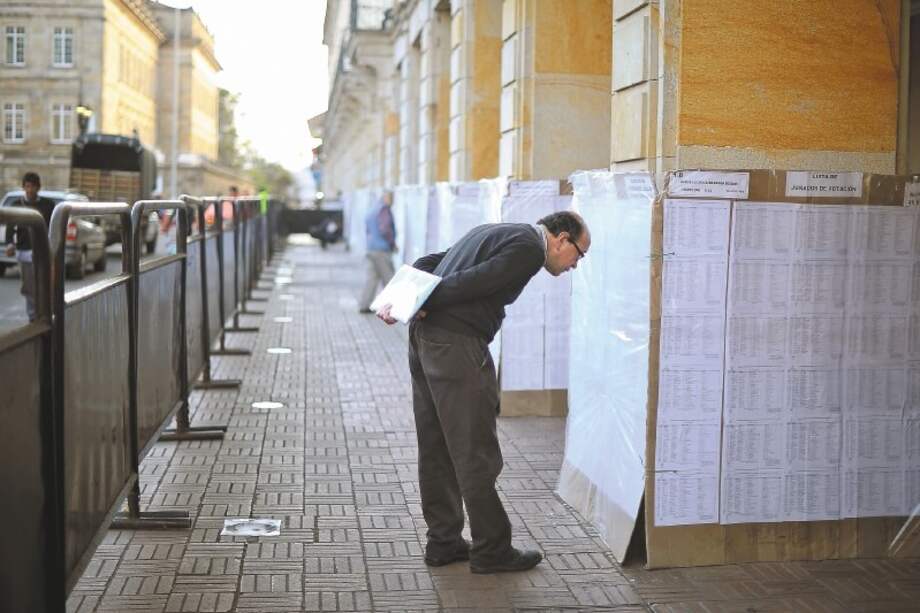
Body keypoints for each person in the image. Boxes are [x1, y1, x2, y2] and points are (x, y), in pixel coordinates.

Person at [377, 210, 590, 574]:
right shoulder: (528, 248)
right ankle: (492, 548)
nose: (575, 265)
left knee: (437, 445)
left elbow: (432, 261)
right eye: (579, 254)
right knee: (475, 450)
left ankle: (443, 542)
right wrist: (419, 302)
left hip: (426, 343)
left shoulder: (497, 229)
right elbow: (473, 282)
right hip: (456, 348)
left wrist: (406, 295)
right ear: (561, 238)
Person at [4, 172, 57, 322]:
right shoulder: (16, 205)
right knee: (29, 286)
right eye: (27, 186)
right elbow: (10, 228)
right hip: (24, 251)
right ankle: (33, 316)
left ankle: (46, 313)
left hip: (42, 251)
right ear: (23, 187)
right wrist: (10, 244)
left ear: (38, 188)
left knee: (45, 283)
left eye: (33, 186)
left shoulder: (47, 205)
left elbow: (52, 227)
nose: (30, 190)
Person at [358, 190, 396, 313]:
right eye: (391, 198)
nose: (393, 201)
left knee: (372, 278)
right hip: (381, 249)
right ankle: (394, 307)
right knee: (389, 278)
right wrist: (392, 243)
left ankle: (364, 304)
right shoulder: (384, 209)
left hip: (370, 248)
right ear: (386, 198)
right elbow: (385, 229)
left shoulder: (372, 210)